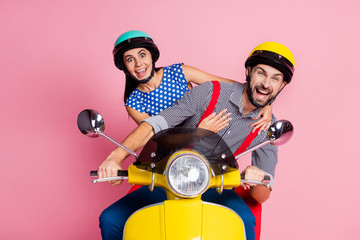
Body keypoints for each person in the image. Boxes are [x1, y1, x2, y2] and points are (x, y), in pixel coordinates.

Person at [98, 41, 295, 240]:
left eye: (275, 78)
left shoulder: (268, 128)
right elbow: (157, 123)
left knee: (244, 220)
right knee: (110, 219)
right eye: (261, 73)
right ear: (249, 71)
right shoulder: (210, 92)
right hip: (167, 181)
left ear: (282, 85)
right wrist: (116, 156)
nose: (266, 84)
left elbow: (262, 196)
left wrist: (258, 178)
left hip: (214, 188)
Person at [113, 30, 273, 133]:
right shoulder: (134, 102)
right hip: (174, 153)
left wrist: (265, 103)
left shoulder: (179, 72)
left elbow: (229, 86)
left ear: (152, 56)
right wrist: (198, 131)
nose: (139, 63)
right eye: (130, 59)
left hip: (212, 138)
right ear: (124, 66)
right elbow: (153, 135)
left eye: (142, 55)